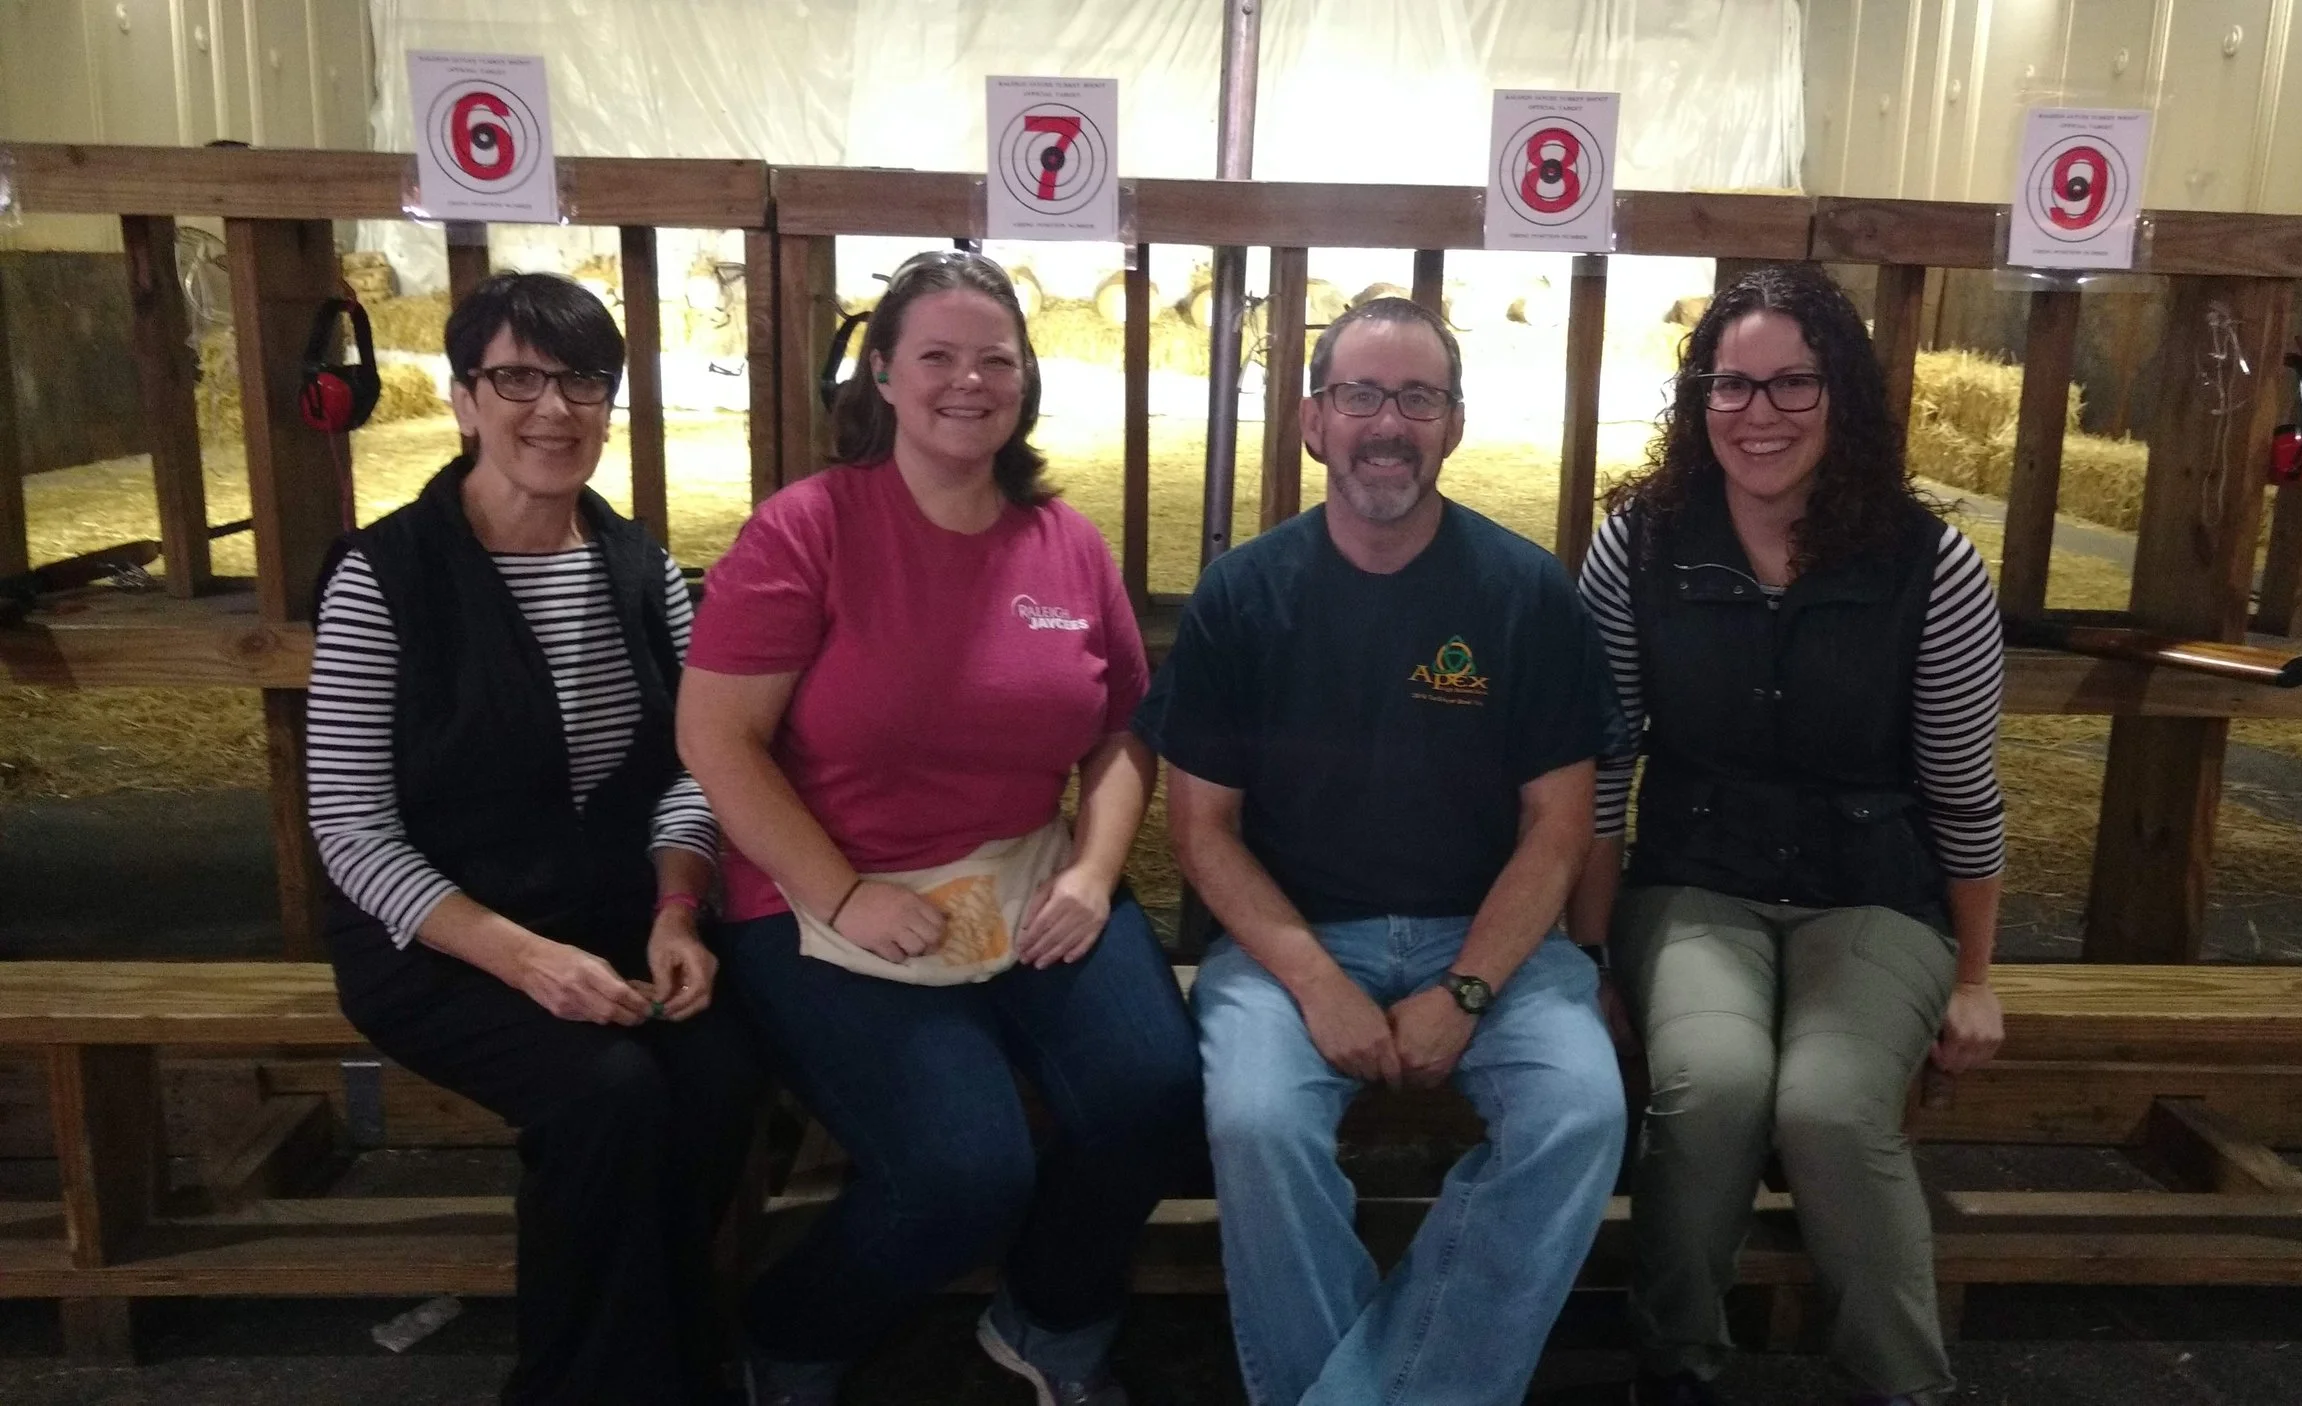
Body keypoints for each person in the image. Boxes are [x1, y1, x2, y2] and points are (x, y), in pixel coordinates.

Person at [675, 250, 1201, 1406]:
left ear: (1025, 382)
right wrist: (843, 890)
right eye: (938, 357)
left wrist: (1097, 870)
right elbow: (718, 740)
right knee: (963, 1169)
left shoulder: (1065, 539)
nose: (970, 381)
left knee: (1154, 1092)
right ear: (882, 373)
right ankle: (792, 1330)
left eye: (996, 359)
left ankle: (1051, 1318)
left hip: (1025, 874)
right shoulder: (803, 530)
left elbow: (1120, 732)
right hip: (829, 893)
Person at [1135, 296, 1627, 1406]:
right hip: (1290, 939)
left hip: (1487, 934)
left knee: (1581, 1109)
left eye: (1417, 397)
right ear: (1313, 419)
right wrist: (1316, 983)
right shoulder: (1241, 594)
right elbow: (1199, 832)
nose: (1387, 423)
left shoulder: (1525, 593)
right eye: (1361, 394)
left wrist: (1467, 985)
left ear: (1453, 423)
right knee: (1258, 1120)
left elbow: (1560, 826)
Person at [309, 271, 762, 1406]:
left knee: (720, 1071)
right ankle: (604, 1380)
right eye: (517, 378)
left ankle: (647, 1363)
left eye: (581, 382)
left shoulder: (640, 565)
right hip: (435, 936)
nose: (552, 409)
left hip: (611, 914)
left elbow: (691, 767)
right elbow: (353, 828)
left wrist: (676, 908)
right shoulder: (383, 576)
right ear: (464, 400)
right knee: (607, 1095)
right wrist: (524, 956)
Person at [1569, 262, 2009, 1406]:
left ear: (1843, 397)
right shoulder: (1639, 546)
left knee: (1826, 1103)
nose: (1756, 414)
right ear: (1697, 399)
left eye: (1790, 386)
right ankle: (1675, 1360)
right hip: (1694, 880)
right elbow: (1600, 771)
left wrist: (1973, 976)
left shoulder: (1933, 565)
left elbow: (1964, 790)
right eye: (1731, 386)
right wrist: (1587, 954)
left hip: (1870, 889)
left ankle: (1904, 1383)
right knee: (1710, 1085)